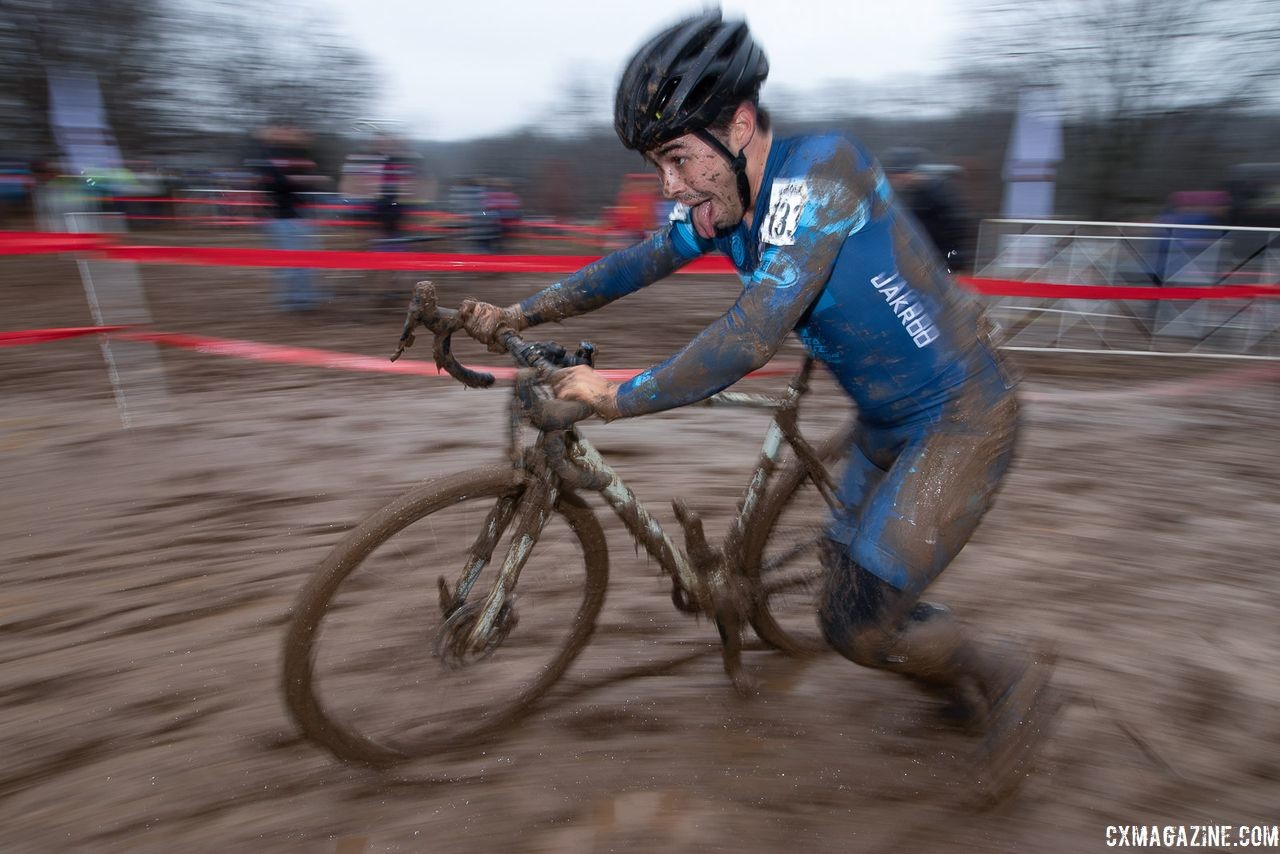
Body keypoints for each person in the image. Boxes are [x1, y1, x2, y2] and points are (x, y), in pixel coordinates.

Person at [460, 10, 1058, 797]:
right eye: (657, 165)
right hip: (884, 423)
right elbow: (633, 264)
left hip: (961, 415)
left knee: (854, 623)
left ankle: (1010, 676)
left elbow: (750, 335)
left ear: (739, 125)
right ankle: (942, 673)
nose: (670, 187)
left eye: (676, 159)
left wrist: (621, 394)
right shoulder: (724, 203)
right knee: (848, 601)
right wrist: (521, 314)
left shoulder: (824, 174)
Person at [253, 125, 327, 312]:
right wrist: (303, 181)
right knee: (291, 261)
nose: (289, 134)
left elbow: (310, 180)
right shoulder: (269, 156)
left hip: (300, 215)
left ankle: (303, 298)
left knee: (304, 260)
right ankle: (292, 300)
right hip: (284, 217)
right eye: (282, 131)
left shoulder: (297, 155)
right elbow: (276, 183)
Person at [882, 147, 973, 272]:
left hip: (944, 261)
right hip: (927, 260)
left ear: (910, 172)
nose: (898, 180)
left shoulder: (938, 191)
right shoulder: (913, 194)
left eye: (900, 175)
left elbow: (957, 227)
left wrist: (950, 260)